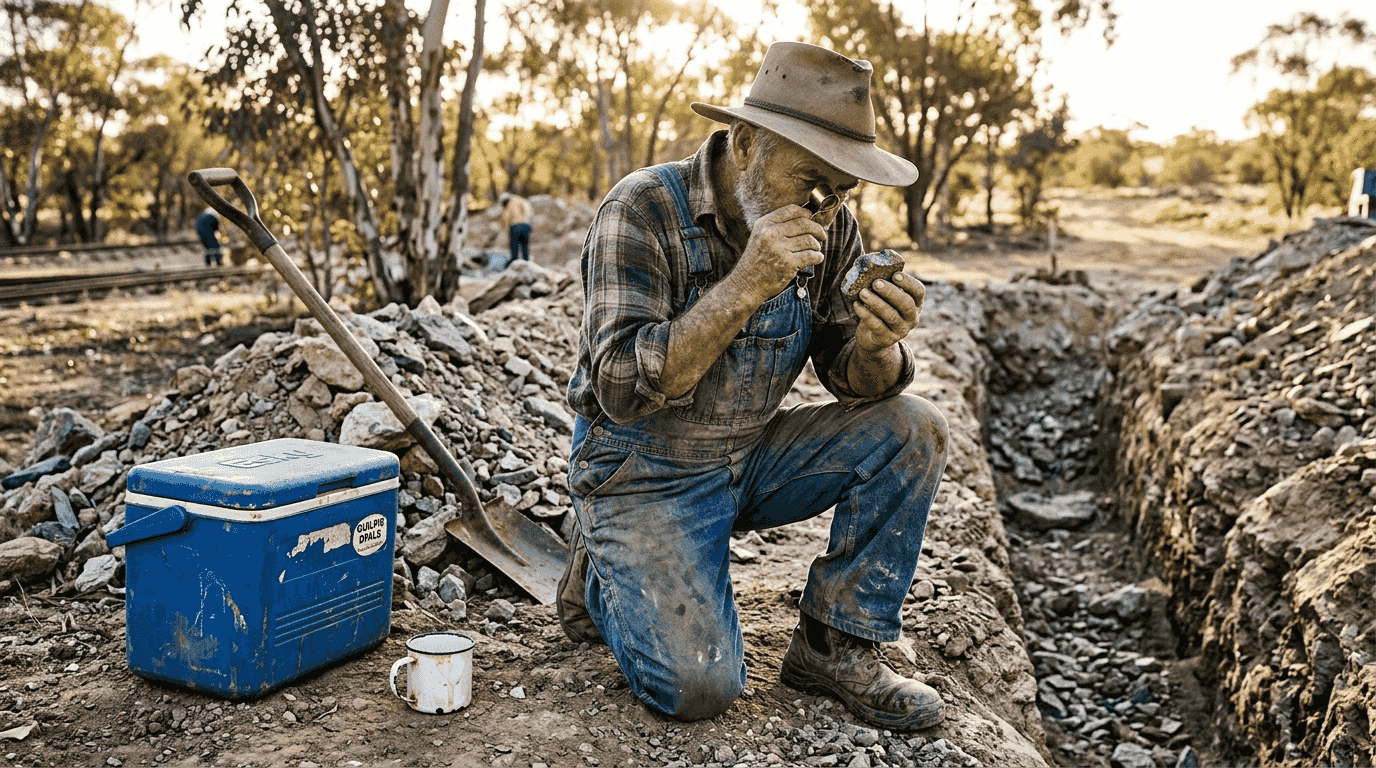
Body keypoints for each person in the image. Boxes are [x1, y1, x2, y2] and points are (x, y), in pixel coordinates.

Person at [560, 41, 949, 730]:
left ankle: (833, 646)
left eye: (842, 189)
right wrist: (746, 284)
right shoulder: (642, 209)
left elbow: (855, 384)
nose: (825, 205)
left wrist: (876, 344)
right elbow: (619, 389)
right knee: (699, 689)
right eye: (810, 179)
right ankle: (601, 566)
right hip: (641, 469)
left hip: (749, 457)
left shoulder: (832, 225)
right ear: (745, 144)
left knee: (914, 427)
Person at [497, 192, 533, 263]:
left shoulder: (509, 204)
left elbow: (506, 217)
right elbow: (529, 212)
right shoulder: (521, 200)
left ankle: (515, 261)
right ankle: (526, 261)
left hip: (515, 226)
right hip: (526, 225)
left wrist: (503, 227)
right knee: (525, 246)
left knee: (514, 246)